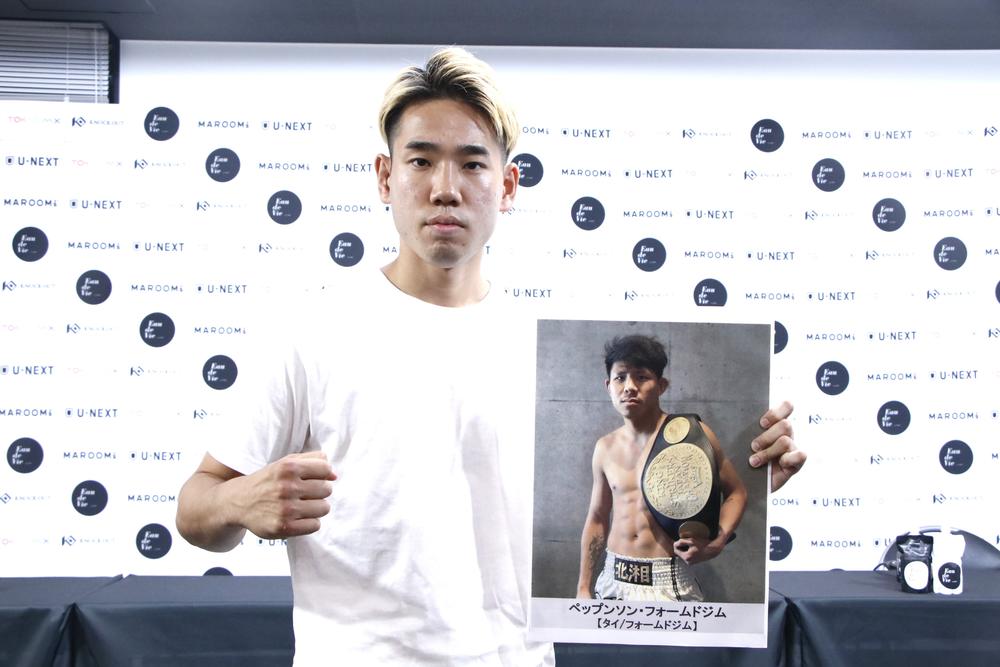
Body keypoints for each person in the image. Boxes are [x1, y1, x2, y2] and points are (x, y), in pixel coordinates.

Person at [176, 47, 805, 665]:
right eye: (421, 160)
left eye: (472, 164)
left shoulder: (544, 347)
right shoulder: (313, 333)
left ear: (506, 186)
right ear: (385, 178)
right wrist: (238, 502)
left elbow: (632, 493)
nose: (445, 189)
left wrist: (746, 479)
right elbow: (195, 507)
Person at [577, 335, 751, 602]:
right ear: (608, 386)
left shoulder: (693, 435)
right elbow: (598, 517)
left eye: (641, 377)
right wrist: (583, 586)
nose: (629, 387)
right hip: (613, 578)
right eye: (620, 377)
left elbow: (736, 492)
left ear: (661, 385)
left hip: (668, 579)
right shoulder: (605, 447)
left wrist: (718, 542)